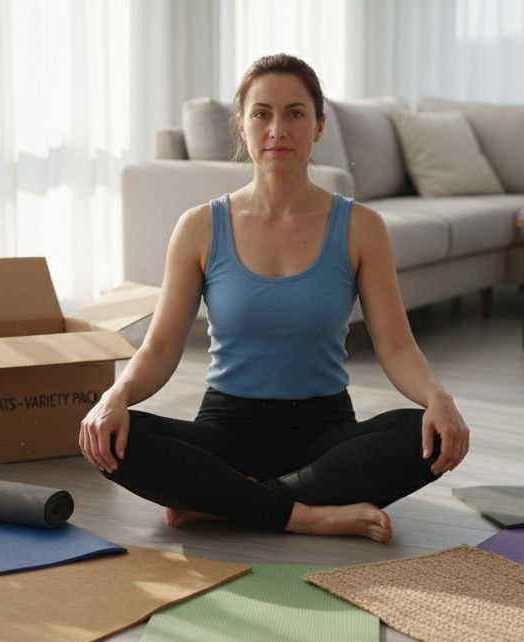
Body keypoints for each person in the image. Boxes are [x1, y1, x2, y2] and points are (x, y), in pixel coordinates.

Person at [79, 53, 469, 543]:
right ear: (241, 127)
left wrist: (438, 398)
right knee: (115, 438)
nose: (277, 128)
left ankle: (228, 503)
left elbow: (396, 347)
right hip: (227, 430)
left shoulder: (361, 228)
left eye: (295, 113)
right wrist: (113, 397)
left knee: (423, 436)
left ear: (320, 126)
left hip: (325, 433)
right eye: (261, 113)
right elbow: (159, 349)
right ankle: (305, 514)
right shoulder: (200, 226)